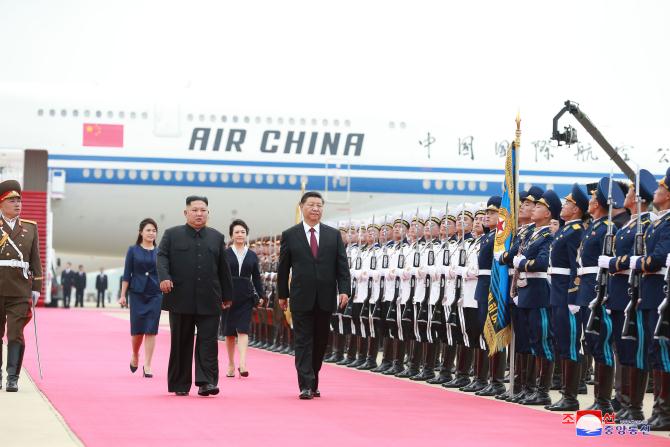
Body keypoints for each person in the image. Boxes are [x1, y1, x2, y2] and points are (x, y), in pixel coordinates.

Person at [157, 195, 233, 397]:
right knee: (181, 341)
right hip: (180, 298)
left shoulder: (216, 238)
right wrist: (164, 277)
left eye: (203, 210)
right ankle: (180, 384)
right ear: (186, 212)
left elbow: (223, 269)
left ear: (208, 212)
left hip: (210, 298)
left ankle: (206, 382)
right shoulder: (172, 235)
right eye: (195, 210)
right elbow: (162, 257)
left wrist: (227, 294)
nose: (199, 214)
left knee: (208, 342)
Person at [277, 191, 350, 400]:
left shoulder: (332, 235)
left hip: (326, 297)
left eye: (319, 205)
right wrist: (283, 294)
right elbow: (283, 268)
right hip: (301, 297)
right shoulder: (290, 234)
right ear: (302, 207)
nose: (315, 209)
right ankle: (305, 384)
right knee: (303, 341)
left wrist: (344, 289)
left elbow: (342, 266)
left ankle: (313, 377)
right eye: (311, 205)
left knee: (320, 342)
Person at [0, 180, 42, 392]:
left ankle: (13, 376)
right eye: (12, 200)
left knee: (16, 333)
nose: (17, 204)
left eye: (19, 200)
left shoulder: (29, 228)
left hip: (19, 289)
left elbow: (35, 260)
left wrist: (36, 287)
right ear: (1, 203)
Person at [119, 218, 163, 378]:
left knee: (151, 329)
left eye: (154, 230)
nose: (151, 233)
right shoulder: (133, 250)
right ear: (141, 232)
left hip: (155, 293)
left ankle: (148, 364)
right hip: (137, 293)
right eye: (148, 230)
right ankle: (135, 354)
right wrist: (123, 295)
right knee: (137, 330)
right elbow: (126, 274)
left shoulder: (160, 252)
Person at [223, 219, 265, 378]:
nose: (240, 235)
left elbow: (257, 277)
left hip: (245, 296)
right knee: (229, 333)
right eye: (237, 232)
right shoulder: (225, 254)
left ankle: (242, 363)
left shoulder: (252, 255)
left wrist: (261, 295)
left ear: (246, 235)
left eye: (242, 232)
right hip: (228, 296)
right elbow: (220, 276)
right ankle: (231, 364)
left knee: (243, 329)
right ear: (231, 235)